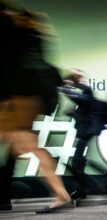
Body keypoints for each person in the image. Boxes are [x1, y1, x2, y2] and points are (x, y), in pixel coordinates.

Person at [0, 2, 71, 213]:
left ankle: (61, 194)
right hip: (24, 99)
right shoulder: (33, 37)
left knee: (27, 143)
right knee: (22, 144)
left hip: (18, 99)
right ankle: (61, 194)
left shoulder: (19, 35)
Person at [59, 69, 107, 201]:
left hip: (87, 131)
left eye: (74, 76)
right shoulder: (83, 90)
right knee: (79, 163)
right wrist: (73, 113)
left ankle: (97, 185)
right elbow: (84, 105)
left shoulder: (87, 89)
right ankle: (84, 188)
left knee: (77, 163)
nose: (72, 79)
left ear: (79, 77)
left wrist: (65, 89)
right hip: (85, 131)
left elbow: (84, 100)